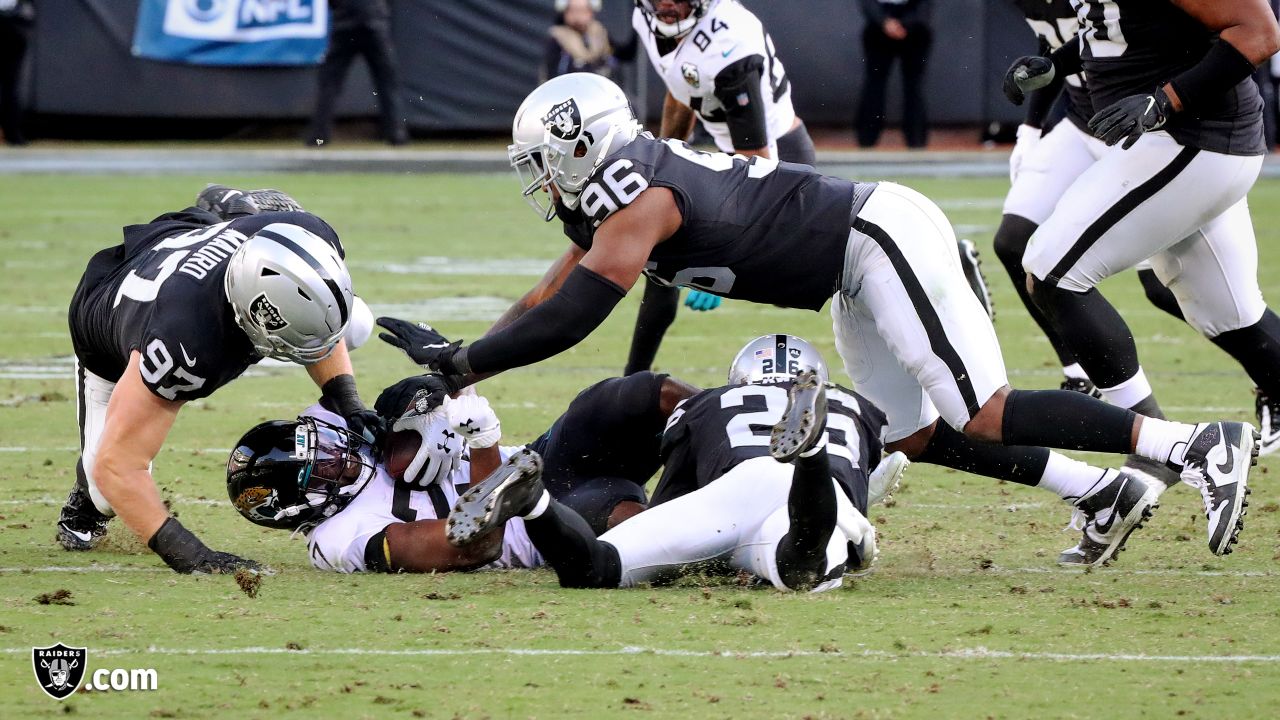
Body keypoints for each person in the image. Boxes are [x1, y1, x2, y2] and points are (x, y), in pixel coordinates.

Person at [379, 72, 1261, 568]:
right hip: (847, 269)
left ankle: (1187, 447)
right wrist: (459, 359)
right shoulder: (616, 196)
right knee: (913, 436)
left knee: (981, 410)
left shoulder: (636, 193)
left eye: (544, 161)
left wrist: (463, 369)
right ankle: (1104, 491)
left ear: (584, 147)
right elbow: (544, 298)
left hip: (878, 237)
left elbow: (574, 316)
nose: (538, 178)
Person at [1003, 1, 1280, 471]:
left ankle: (1155, 452)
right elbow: (1115, 29)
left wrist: (1164, 101)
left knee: (1050, 271)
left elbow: (1259, 32)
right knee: (1230, 315)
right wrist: (1058, 64)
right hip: (1186, 141)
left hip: (1192, 136)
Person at [60, 186, 381, 575]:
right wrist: (188, 553)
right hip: (109, 315)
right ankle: (83, 506)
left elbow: (319, 330)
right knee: (105, 491)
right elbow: (117, 466)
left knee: (356, 326)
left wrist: (345, 397)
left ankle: (233, 214)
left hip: (189, 239)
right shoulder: (184, 343)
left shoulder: (306, 230)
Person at [446, 336, 884, 592]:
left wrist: (690, 553)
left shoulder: (710, 402)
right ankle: (809, 454)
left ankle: (533, 500)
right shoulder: (858, 409)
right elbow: (856, 510)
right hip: (812, 499)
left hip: (736, 488)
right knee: (802, 566)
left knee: (596, 568)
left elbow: (671, 502)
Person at [227, 370, 700, 573]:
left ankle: (733, 426)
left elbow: (337, 349)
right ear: (300, 508)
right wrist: (484, 443)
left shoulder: (340, 431)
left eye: (323, 444)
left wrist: (433, 390)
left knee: (636, 395)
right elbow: (475, 543)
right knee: (631, 520)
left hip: (544, 459)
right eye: (321, 469)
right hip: (541, 525)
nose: (337, 455)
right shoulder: (339, 539)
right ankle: (738, 531)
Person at [623, 0, 812, 375]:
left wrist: (720, 257)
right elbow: (682, 87)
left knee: (821, 271)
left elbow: (757, 163)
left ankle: (944, 256)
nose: (665, 4)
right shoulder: (645, 20)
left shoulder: (729, 42)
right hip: (728, 157)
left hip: (777, 161)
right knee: (659, 260)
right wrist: (663, 157)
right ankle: (630, 385)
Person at [305, 0, 408, 147]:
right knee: (387, 82)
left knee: (330, 83)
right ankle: (396, 134)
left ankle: (318, 137)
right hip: (372, 22)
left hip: (348, 23)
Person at [855, 0, 932, 149]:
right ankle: (867, 139)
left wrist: (906, 23)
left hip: (914, 26)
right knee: (874, 84)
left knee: (914, 85)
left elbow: (925, 6)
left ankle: (916, 140)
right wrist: (884, 21)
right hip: (879, 26)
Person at [543, 0, 637, 82]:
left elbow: (623, 55)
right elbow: (552, 74)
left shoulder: (599, 33)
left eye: (583, 11)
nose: (578, 16)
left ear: (591, 12)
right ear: (565, 13)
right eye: (573, 11)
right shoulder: (558, 38)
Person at [0, 0, 34, 146]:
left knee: (11, 84)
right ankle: (13, 134)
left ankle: (13, 133)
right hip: (15, 23)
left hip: (13, 25)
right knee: (11, 84)